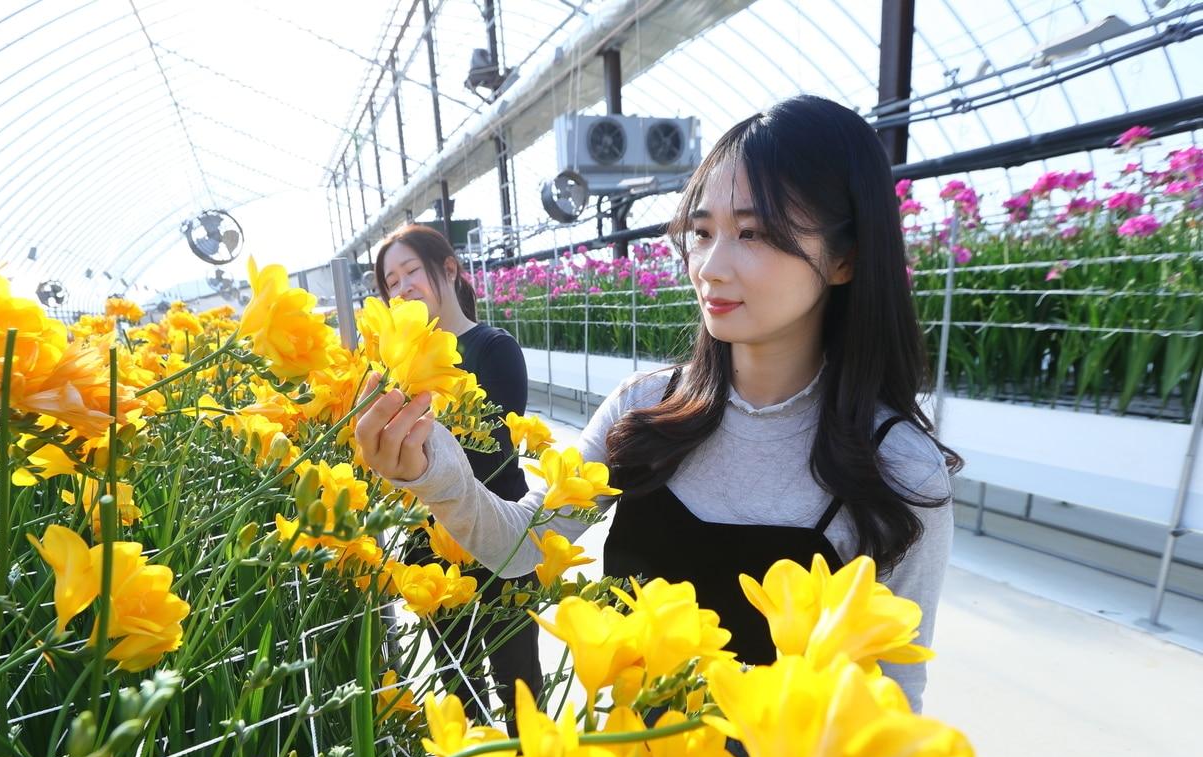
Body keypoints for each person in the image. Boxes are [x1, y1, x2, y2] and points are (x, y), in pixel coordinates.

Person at [356, 96, 961, 716]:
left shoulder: (899, 471)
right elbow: (521, 547)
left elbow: (892, 697)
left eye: (753, 233)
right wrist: (432, 469)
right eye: (701, 232)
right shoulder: (643, 411)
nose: (710, 267)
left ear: (844, 257)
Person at [373, 223, 544, 735]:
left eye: (410, 272)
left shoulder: (493, 348)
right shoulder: (393, 363)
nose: (402, 288)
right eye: (391, 282)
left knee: (517, 675)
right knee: (455, 673)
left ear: (448, 269)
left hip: (499, 533)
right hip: (428, 538)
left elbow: (490, 448)